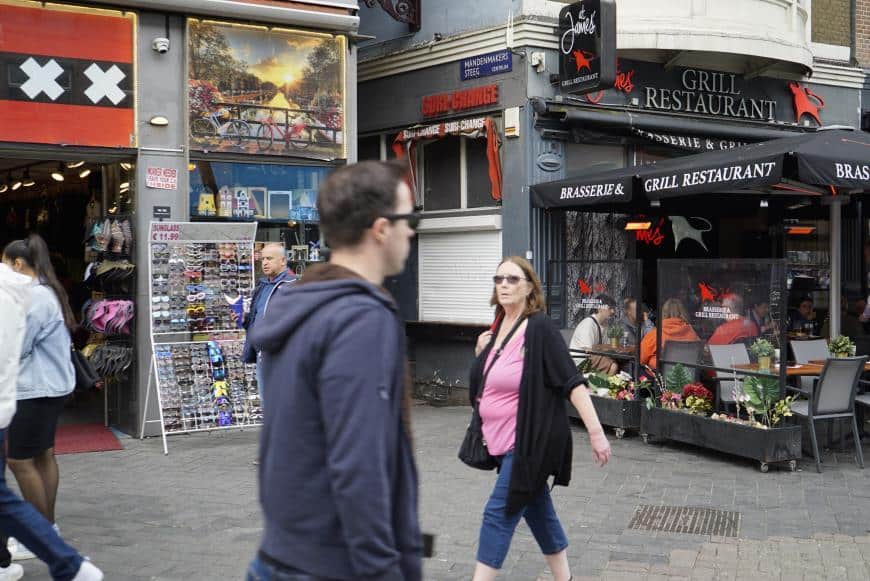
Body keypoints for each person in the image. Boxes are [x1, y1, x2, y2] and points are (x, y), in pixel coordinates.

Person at [246, 160, 422, 580]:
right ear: (380, 228)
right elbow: (358, 464)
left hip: (281, 555)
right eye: (408, 218)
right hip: (331, 565)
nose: (412, 231)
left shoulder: (300, 304)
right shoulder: (361, 317)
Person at [470, 256, 611, 581]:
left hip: (531, 442)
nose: (504, 284)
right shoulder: (497, 326)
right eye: (499, 279)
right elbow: (488, 382)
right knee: (536, 507)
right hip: (501, 441)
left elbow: (572, 383)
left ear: (529, 287)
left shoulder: (540, 328)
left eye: (513, 279)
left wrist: (596, 432)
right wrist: (481, 353)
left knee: (498, 512)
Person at [0, 241, 103, 581]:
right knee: (43, 455)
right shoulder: (48, 291)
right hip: (51, 385)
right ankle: (48, 527)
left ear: (17, 264)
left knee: (19, 460)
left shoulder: (33, 297)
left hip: (35, 387)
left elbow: (18, 343)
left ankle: (42, 533)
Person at [640, 298, 700, 369]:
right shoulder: (691, 332)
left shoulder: (655, 334)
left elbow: (641, 359)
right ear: (682, 312)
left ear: (663, 313)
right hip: (686, 376)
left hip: (659, 376)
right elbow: (698, 355)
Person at [569, 294, 619, 374]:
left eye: (613, 308)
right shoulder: (588, 324)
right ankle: (604, 385)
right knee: (613, 366)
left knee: (621, 363)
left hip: (592, 357)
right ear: (600, 308)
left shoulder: (605, 325)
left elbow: (606, 346)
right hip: (581, 360)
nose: (613, 311)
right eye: (610, 308)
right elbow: (588, 350)